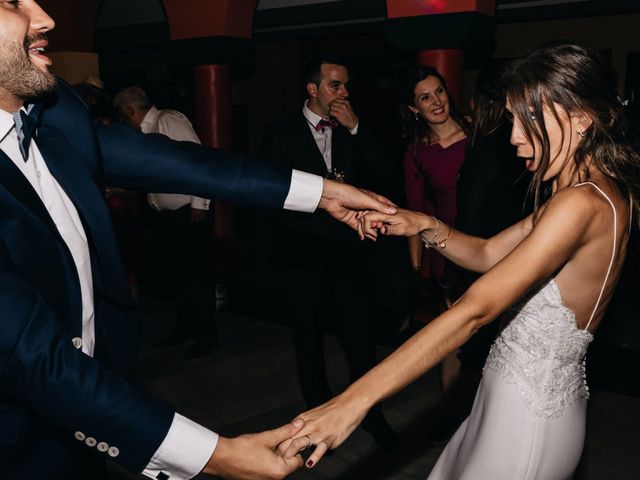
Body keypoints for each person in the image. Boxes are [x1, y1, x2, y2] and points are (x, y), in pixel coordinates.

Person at [0, 2, 397, 479]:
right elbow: (35, 358)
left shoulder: (55, 112)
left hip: (98, 407)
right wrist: (219, 455)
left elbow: (185, 164)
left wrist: (324, 192)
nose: (45, 17)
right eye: (12, 0)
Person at [284, 41, 639, 480]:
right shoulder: (592, 190)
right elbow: (488, 252)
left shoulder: (579, 204)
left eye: (528, 122)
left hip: (526, 423)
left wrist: (352, 402)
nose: (513, 138)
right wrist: (422, 224)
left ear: (581, 118)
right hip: (511, 400)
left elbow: (476, 309)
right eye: (512, 121)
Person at [259, 56, 398, 448]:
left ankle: (373, 416)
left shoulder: (352, 130)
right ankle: (315, 426)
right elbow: (269, 196)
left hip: (349, 256)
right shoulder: (280, 133)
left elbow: (386, 172)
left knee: (360, 340)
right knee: (308, 342)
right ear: (313, 89)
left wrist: (356, 128)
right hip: (302, 256)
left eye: (346, 85)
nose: (344, 93)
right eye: (336, 85)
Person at [115, 86, 217, 359]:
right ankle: (185, 328)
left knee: (197, 277)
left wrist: (199, 203)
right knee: (181, 277)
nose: (124, 122)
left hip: (188, 212)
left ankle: (206, 336)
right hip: (169, 217)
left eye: (123, 117)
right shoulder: (147, 132)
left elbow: (199, 160)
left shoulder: (168, 120)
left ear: (130, 111)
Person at [401, 65, 469, 291]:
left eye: (439, 91)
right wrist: (416, 268)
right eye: (425, 97)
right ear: (414, 107)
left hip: (492, 237)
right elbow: (414, 210)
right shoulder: (416, 153)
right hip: (449, 247)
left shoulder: (477, 131)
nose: (437, 101)